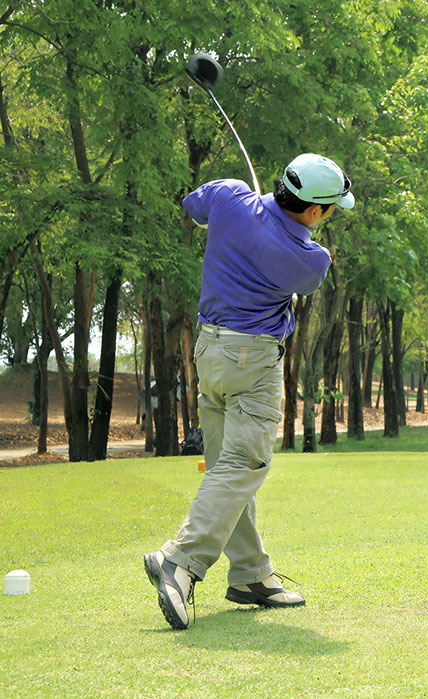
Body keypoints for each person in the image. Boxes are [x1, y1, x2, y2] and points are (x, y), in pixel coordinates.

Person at [143, 153, 354, 630]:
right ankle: (180, 560)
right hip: (253, 362)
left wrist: (239, 205)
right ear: (316, 211)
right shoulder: (310, 259)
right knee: (246, 463)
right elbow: (295, 266)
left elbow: (193, 206)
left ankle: (250, 575)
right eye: (332, 209)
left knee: (226, 468)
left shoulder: (229, 194)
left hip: (209, 355)